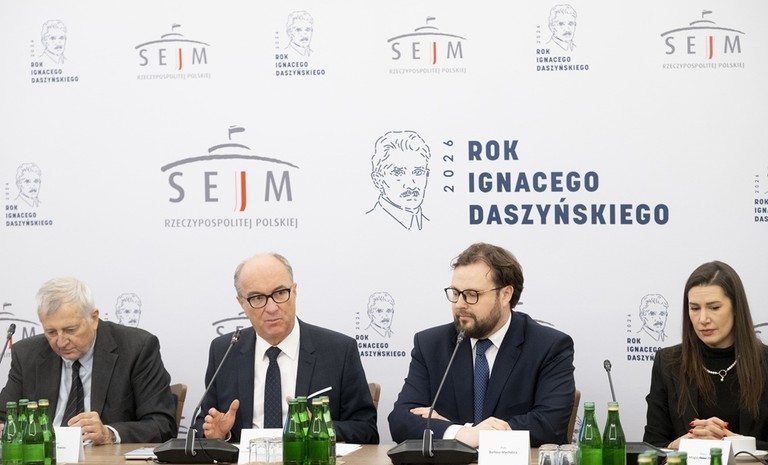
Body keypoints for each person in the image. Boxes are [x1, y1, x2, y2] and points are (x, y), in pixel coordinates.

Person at [388, 242, 576, 447]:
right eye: (455, 293)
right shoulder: (431, 345)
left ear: (505, 295)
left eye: (472, 295)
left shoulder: (548, 347)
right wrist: (462, 433)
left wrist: (468, 432)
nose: (460, 304)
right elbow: (401, 420)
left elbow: (549, 425)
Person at [196, 253, 379, 444]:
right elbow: (203, 423)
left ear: (294, 291)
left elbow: (367, 430)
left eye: (280, 293)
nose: (272, 308)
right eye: (257, 298)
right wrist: (217, 434)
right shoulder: (224, 351)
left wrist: (321, 428)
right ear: (242, 303)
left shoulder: (339, 351)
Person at [0, 277, 177, 444]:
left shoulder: (136, 348)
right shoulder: (27, 354)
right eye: (51, 332)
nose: (60, 342)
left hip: (105, 458)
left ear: (93, 318)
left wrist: (109, 434)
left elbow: (162, 425)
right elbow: (3, 416)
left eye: (70, 330)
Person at [644, 261, 768, 450]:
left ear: (736, 307)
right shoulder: (667, 363)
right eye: (694, 308)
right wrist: (683, 444)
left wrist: (735, 443)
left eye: (714, 307)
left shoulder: (765, 362)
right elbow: (652, 446)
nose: (703, 319)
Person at [366, 130, 431, 230]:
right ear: (378, 180)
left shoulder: (440, 227)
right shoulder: (366, 227)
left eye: (418, 172)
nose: (411, 185)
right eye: (399, 173)